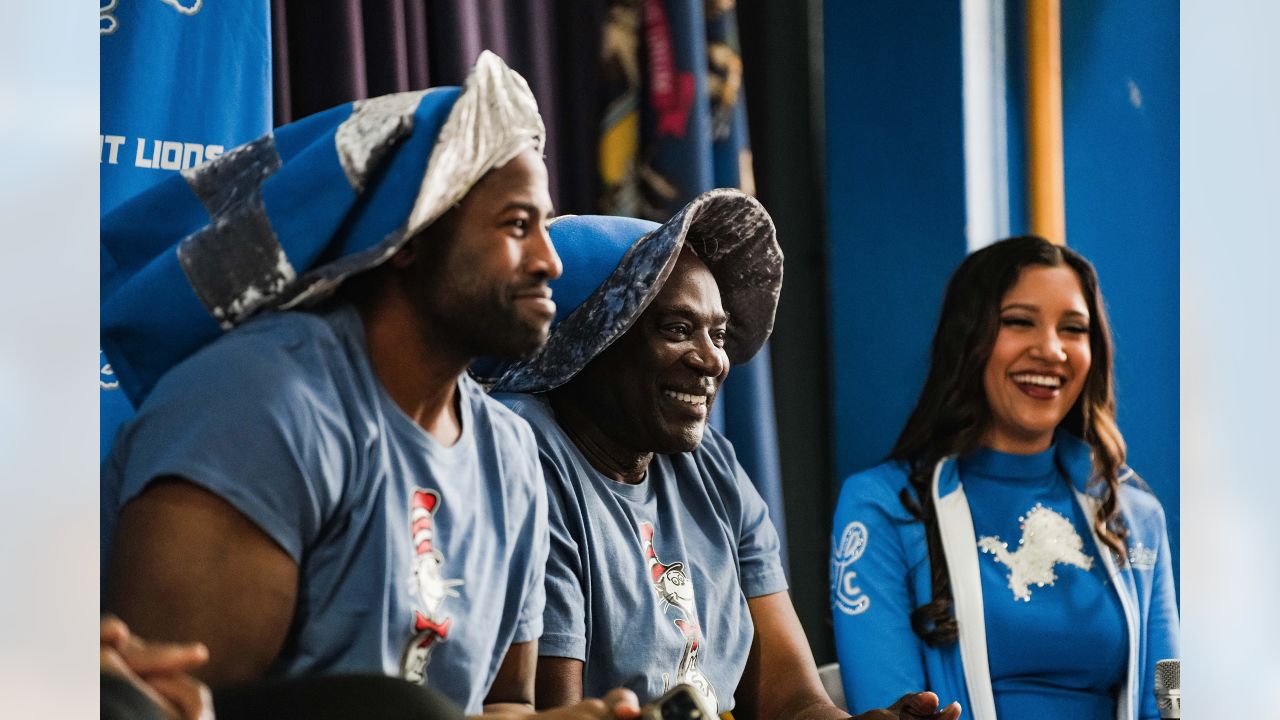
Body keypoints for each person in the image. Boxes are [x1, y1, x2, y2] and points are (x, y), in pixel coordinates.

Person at [100, 51, 637, 719]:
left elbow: (505, 704)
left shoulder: (513, 454)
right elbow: (158, 705)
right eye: (517, 225)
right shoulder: (257, 407)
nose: (549, 260)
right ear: (405, 238)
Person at [489, 190, 961, 720]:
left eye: (718, 333)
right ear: (586, 341)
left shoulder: (708, 461)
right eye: (676, 329)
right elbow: (559, 709)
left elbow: (793, 699)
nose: (714, 359)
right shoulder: (525, 457)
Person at [828, 236, 1179, 720]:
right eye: (1019, 322)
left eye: (1074, 329)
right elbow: (889, 708)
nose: (1051, 350)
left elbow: (1168, 694)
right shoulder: (882, 504)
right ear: (968, 339)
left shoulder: (1137, 513)